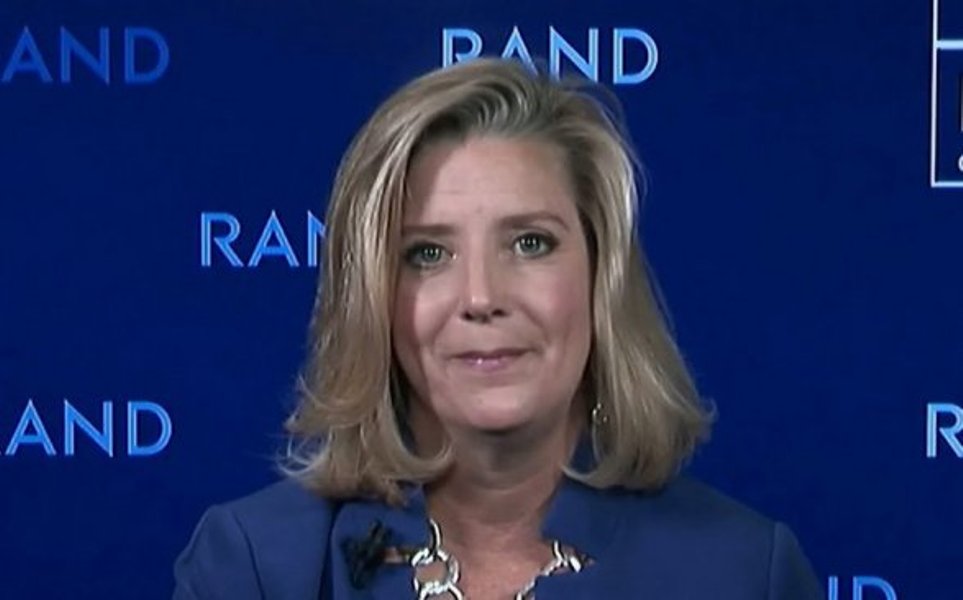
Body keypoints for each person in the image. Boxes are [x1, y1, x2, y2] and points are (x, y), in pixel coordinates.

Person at [172, 57, 824, 599]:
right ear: (374, 297)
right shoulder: (257, 569)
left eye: (531, 243)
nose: (481, 297)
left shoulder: (742, 573)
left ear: (600, 277)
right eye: (428, 253)